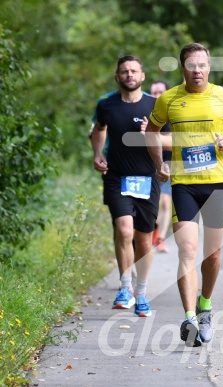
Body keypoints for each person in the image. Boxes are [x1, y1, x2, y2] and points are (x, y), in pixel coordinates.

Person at [145, 43, 223, 347]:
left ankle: (205, 304)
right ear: (183, 69)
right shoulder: (168, 99)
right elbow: (151, 132)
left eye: (202, 65)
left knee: (213, 255)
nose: (197, 71)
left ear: (210, 68)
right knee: (187, 251)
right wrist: (160, 164)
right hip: (183, 184)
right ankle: (190, 317)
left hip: (216, 185)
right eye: (191, 66)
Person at [91, 55, 161, 317]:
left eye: (134, 71)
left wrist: (151, 136)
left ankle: (141, 292)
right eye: (124, 71)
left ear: (142, 76)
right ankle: (125, 288)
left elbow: (171, 140)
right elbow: (98, 129)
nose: (129, 75)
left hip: (147, 178)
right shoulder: (106, 105)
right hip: (117, 176)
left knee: (144, 240)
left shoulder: (156, 105)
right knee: (124, 229)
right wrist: (98, 153)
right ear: (117, 77)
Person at [149, 80, 172, 252]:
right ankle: (152, 231)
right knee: (153, 202)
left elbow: (172, 142)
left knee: (165, 201)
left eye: (160, 92)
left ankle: (160, 238)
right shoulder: (145, 113)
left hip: (169, 163)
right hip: (147, 165)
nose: (157, 96)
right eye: (154, 92)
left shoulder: (173, 114)